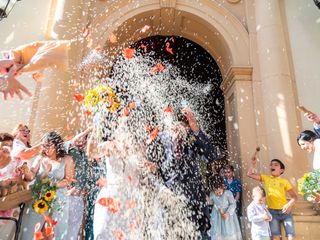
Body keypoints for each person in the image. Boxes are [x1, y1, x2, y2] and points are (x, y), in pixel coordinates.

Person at [150, 107, 218, 239]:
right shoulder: (160, 139)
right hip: (170, 204)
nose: (176, 130)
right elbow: (152, 168)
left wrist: (196, 130)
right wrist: (162, 188)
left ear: (186, 127)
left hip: (195, 205)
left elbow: (212, 155)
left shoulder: (193, 138)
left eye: (180, 127)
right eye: (173, 127)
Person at [20, 131, 75, 240]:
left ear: (57, 145)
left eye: (48, 145)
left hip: (59, 200)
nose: (45, 148)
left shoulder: (67, 159)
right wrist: (26, 171)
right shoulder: (40, 158)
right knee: (29, 231)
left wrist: (54, 184)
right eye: (44, 145)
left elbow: (68, 180)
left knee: (58, 232)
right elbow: (31, 176)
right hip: (38, 198)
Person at [247, 157, 297, 240]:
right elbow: (249, 174)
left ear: (281, 170)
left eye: (276, 165)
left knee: (290, 236)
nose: (272, 166)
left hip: (286, 212)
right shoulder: (266, 178)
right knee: (275, 237)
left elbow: (294, 197)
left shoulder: (285, 181)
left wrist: (289, 205)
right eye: (271, 164)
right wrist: (252, 164)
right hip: (272, 213)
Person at [207, 174, 242, 240]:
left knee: (228, 233)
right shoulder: (212, 194)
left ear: (223, 186)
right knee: (218, 234)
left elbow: (233, 204)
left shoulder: (228, 193)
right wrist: (207, 198)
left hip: (228, 217)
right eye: (216, 192)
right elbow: (211, 203)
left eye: (219, 192)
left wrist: (228, 213)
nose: (218, 194)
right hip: (217, 217)